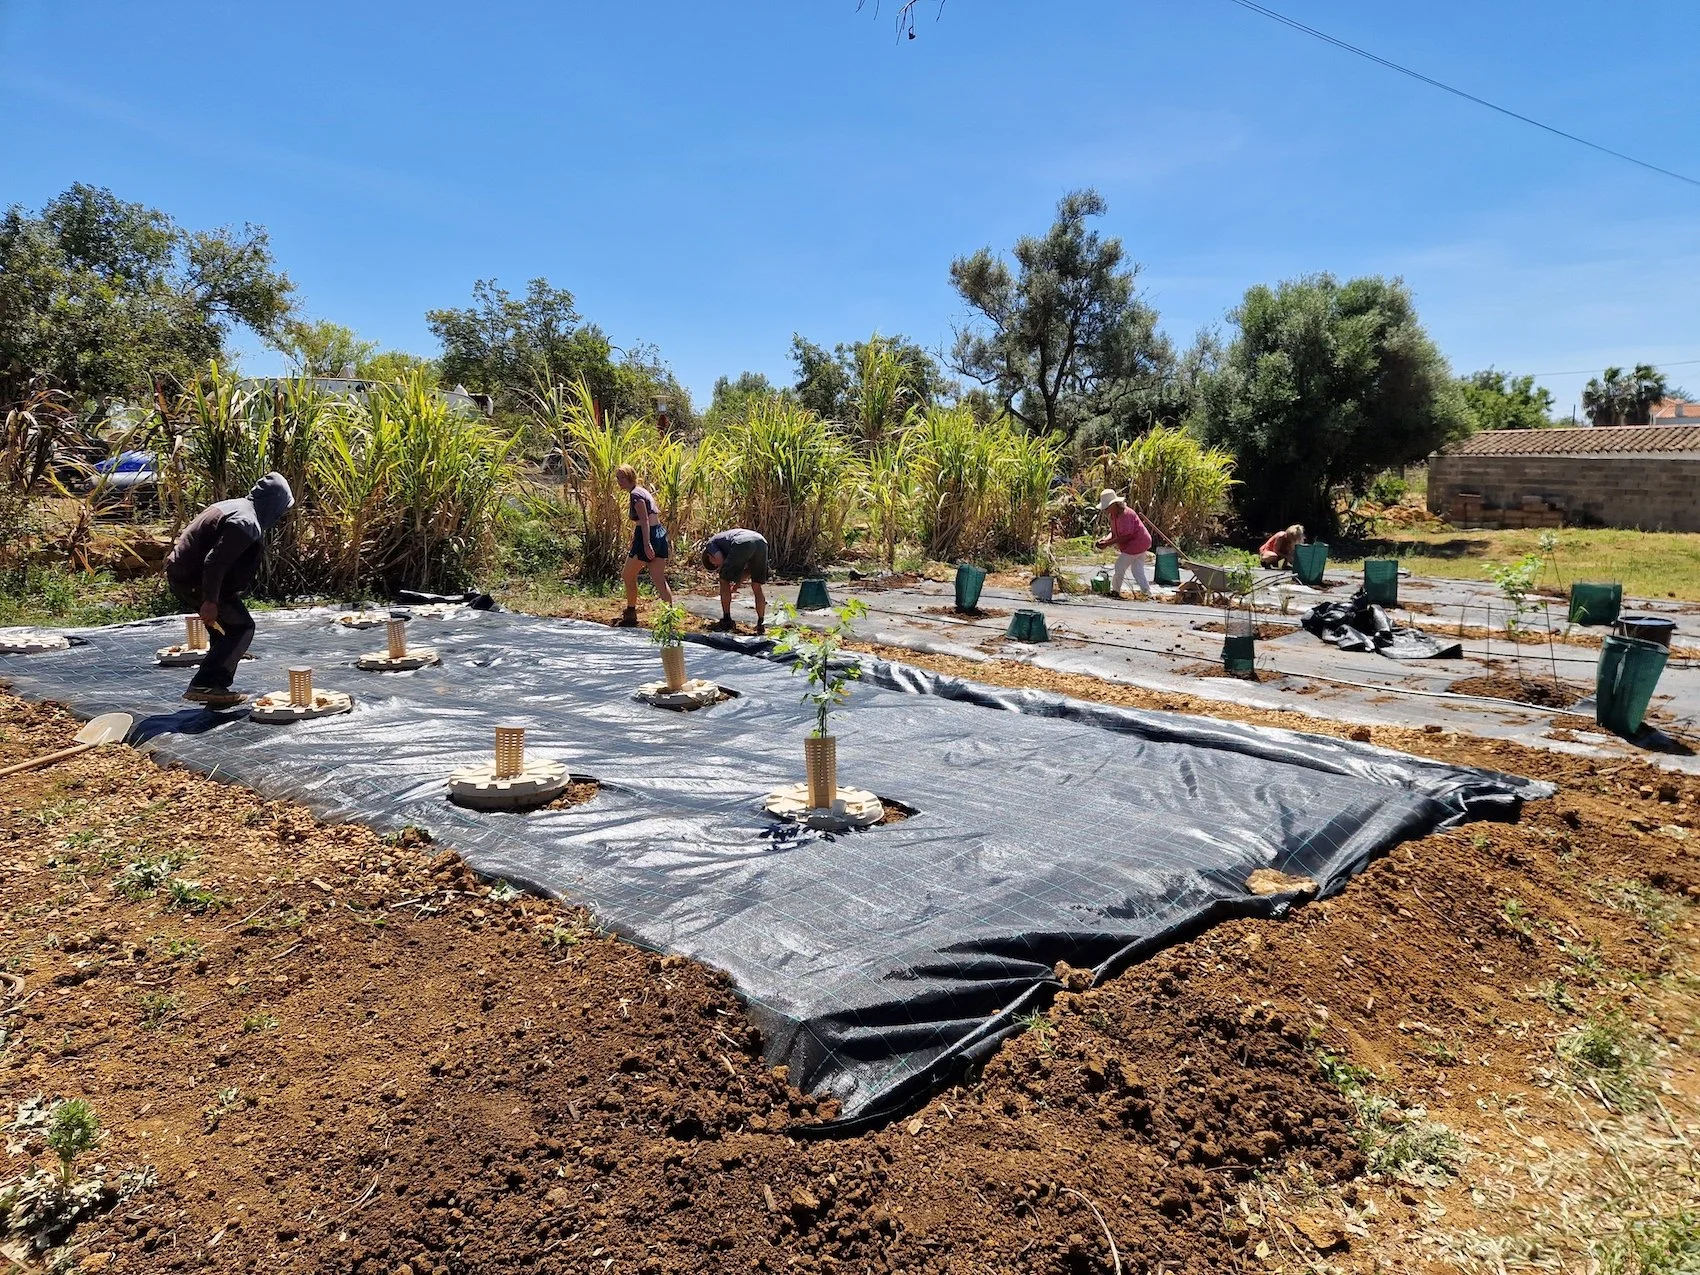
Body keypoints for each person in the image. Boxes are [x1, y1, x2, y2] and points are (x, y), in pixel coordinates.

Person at [162, 472, 294, 708]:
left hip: (185, 575)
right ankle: (206, 684)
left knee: (223, 632)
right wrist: (210, 600)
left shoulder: (234, 507)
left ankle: (215, 689)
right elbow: (215, 562)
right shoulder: (245, 522)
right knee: (242, 628)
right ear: (273, 503)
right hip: (196, 580)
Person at [615, 464, 673, 626]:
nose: (620, 481)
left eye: (623, 477)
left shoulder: (636, 495)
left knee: (627, 575)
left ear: (630, 477)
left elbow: (645, 520)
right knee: (659, 579)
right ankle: (669, 618)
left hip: (648, 536)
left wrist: (646, 543)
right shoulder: (642, 491)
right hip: (659, 534)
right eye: (618, 478)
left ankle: (631, 612)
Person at [701, 528, 769, 633]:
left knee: (723, 579)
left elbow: (720, 560)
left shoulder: (710, 544)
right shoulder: (726, 543)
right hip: (761, 542)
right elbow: (749, 571)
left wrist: (724, 572)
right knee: (756, 585)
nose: (715, 565)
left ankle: (726, 619)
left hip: (741, 542)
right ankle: (761, 623)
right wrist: (736, 586)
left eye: (713, 563)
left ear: (709, 555)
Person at [1093, 489, 1154, 598]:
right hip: (1142, 543)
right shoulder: (1113, 516)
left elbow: (1126, 535)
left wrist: (1107, 543)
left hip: (1137, 543)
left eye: (1107, 507)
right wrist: (1105, 540)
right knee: (1137, 570)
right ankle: (1147, 593)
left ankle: (1115, 591)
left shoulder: (1126, 514)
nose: (1106, 510)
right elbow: (1114, 533)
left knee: (1119, 566)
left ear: (1114, 504)